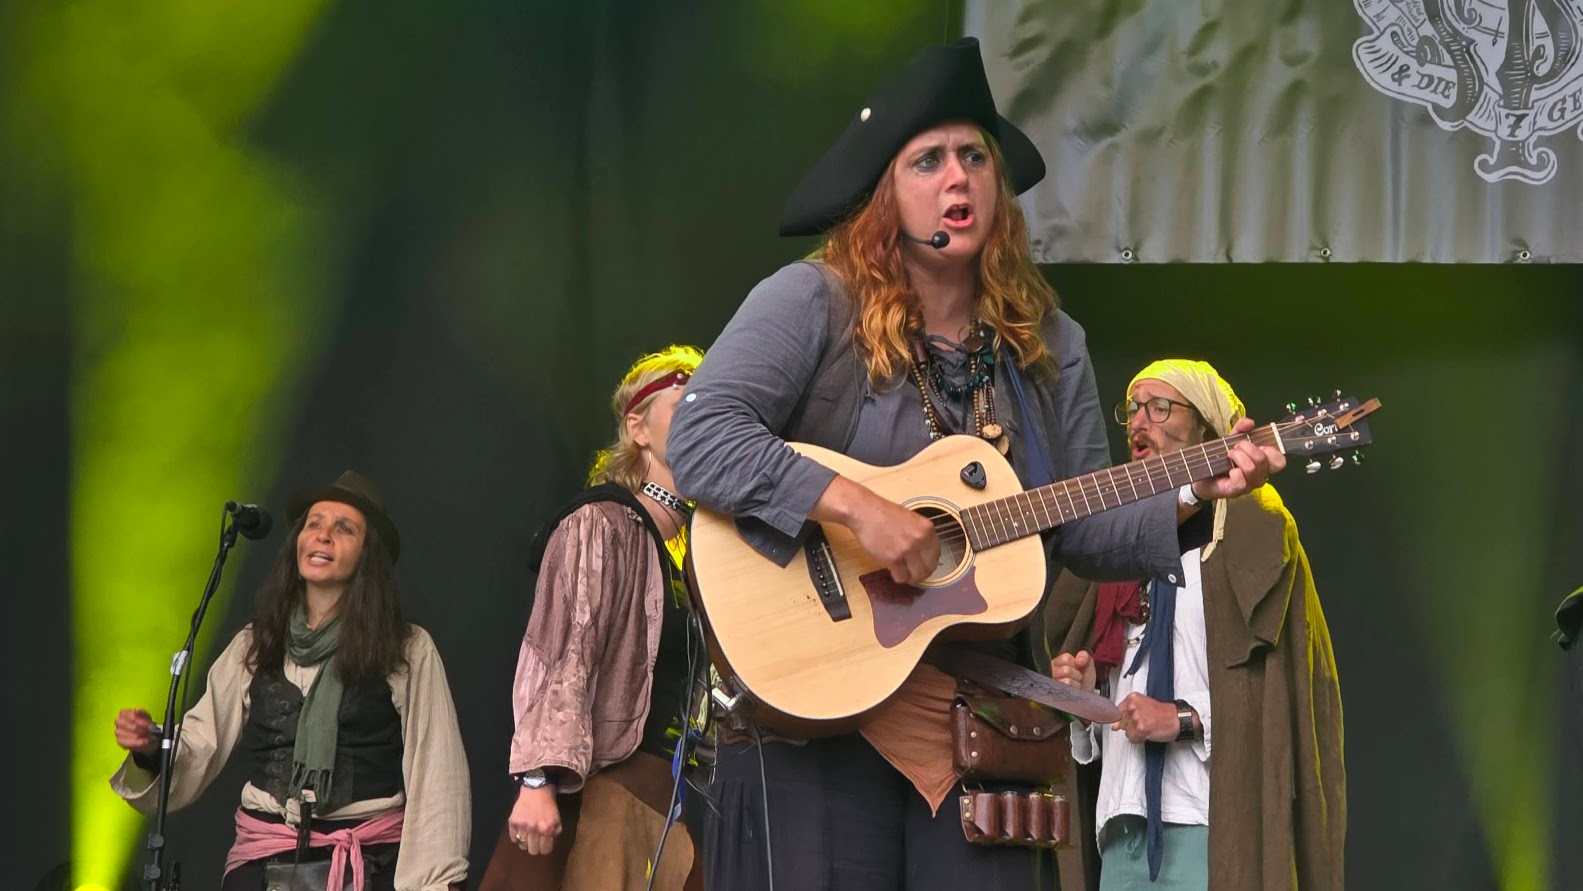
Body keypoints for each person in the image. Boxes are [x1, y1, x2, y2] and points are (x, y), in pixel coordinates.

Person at [664, 38, 1284, 891]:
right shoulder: (814, 299)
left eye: (974, 157)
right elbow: (701, 436)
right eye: (927, 161)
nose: (956, 178)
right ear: (883, 192)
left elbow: (1079, 529)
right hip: (812, 707)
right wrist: (859, 508)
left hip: (975, 722)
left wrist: (1188, 489)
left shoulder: (1049, 344)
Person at [1045, 360, 1346, 891]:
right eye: (1133, 410)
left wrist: (1181, 718)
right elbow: (1115, 690)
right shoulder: (1108, 555)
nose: (1139, 422)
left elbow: (1275, 692)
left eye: (1160, 407)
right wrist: (1088, 696)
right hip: (1120, 822)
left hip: (1208, 820)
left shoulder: (1255, 532)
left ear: (1206, 427)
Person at [111, 470, 471, 890]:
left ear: (366, 556)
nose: (323, 536)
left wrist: (435, 883)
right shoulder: (256, 643)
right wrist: (151, 748)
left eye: (344, 528)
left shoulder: (406, 648)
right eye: (313, 524)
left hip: (365, 864)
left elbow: (438, 774)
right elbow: (199, 744)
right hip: (262, 861)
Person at [478, 345, 707, 891]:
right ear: (638, 428)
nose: (704, 418)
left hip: (668, 800)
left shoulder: (695, 553)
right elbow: (563, 652)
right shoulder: (601, 523)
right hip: (608, 794)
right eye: (686, 404)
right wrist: (538, 779)